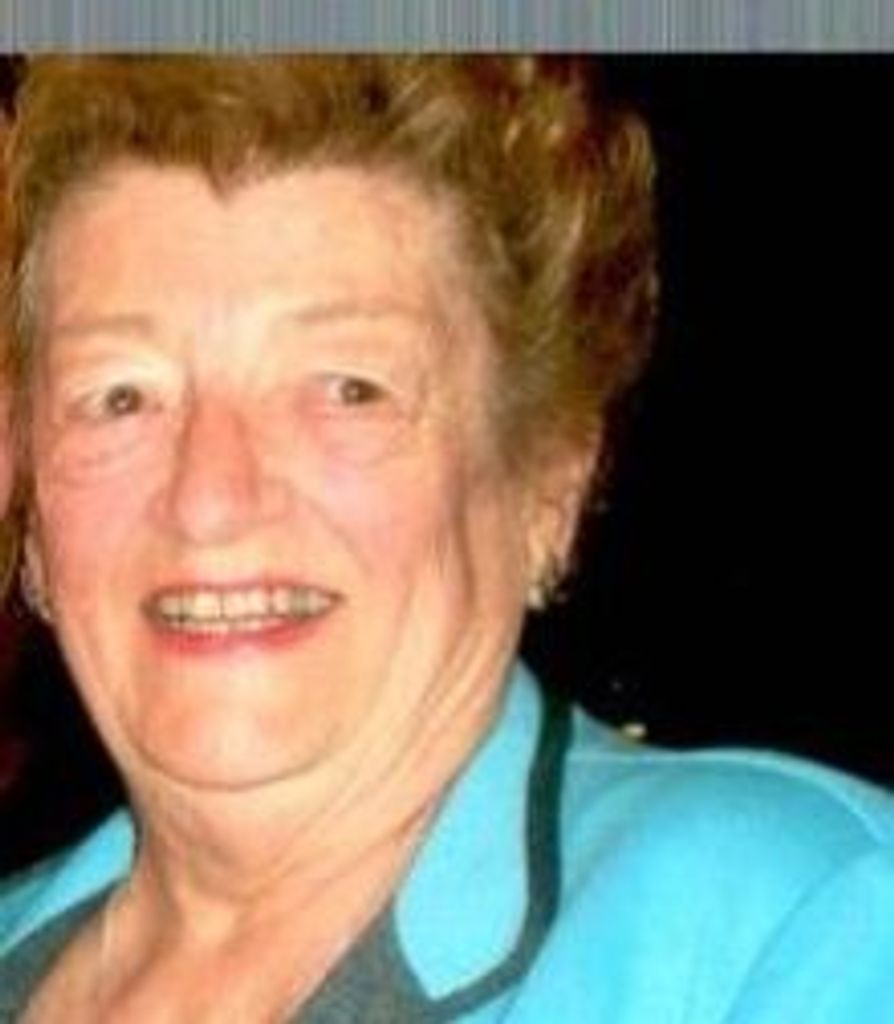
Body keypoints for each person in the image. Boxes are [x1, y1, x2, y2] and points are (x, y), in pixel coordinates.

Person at [0, 55, 892, 1023]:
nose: (209, 500)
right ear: (32, 514)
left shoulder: (803, 918)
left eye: (348, 388)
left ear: (547, 477)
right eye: (118, 397)